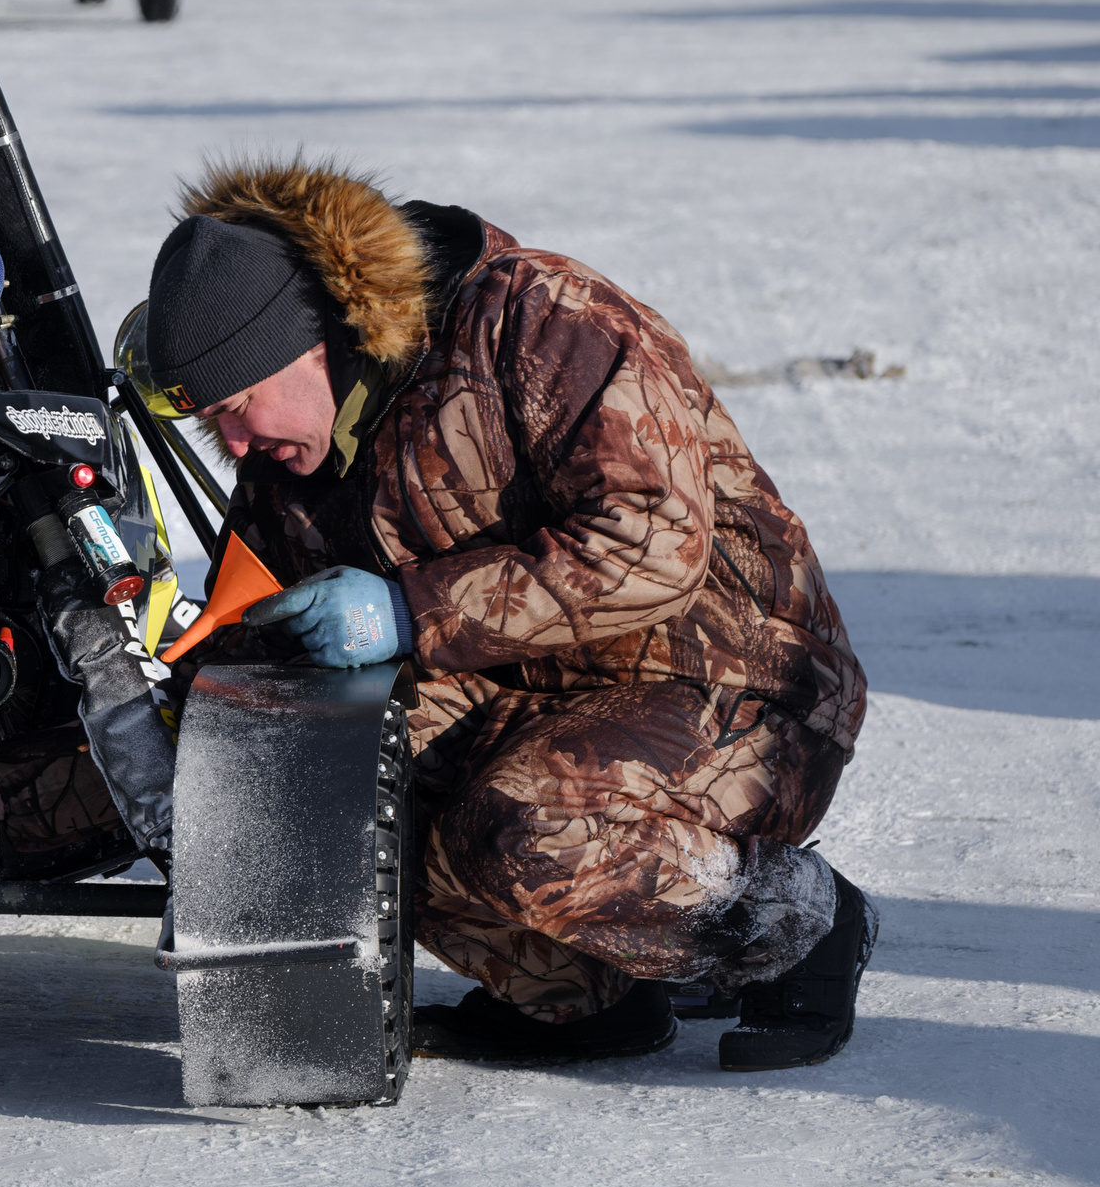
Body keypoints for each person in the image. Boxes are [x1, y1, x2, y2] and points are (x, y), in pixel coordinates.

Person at [137, 158, 872, 1073]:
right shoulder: (298, 452)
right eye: (215, 420)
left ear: (317, 340)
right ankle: (582, 999)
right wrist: (181, 686)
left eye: (241, 407)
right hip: (538, 698)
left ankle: (799, 922)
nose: (236, 442)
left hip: (738, 686)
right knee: (338, 772)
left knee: (531, 830)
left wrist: (409, 611)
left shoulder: (539, 320)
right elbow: (268, 628)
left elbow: (655, 543)